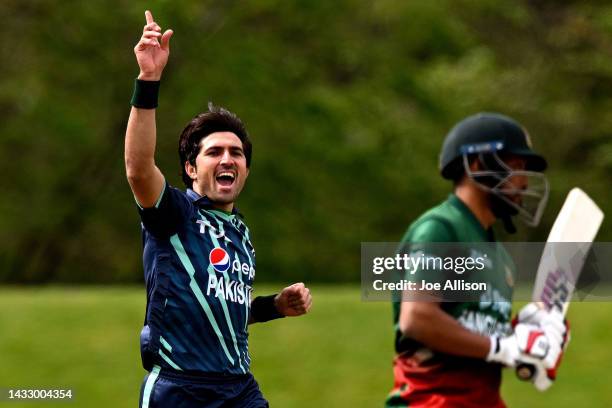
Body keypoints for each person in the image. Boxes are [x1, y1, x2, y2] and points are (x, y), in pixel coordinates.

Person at [125, 11, 312, 408]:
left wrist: (273, 306)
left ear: (245, 169)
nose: (228, 158)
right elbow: (138, 170)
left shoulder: (240, 232)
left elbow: (224, 308)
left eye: (237, 153)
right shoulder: (174, 213)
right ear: (192, 168)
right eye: (214, 152)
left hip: (239, 387)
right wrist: (148, 81)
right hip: (180, 389)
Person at [386, 113, 570, 407]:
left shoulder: (501, 259)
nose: (523, 182)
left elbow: (476, 338)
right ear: (476, 165)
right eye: (516, 167)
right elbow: (417, 318)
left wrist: (527, 340)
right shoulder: (441, 227)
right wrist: (503, 346)